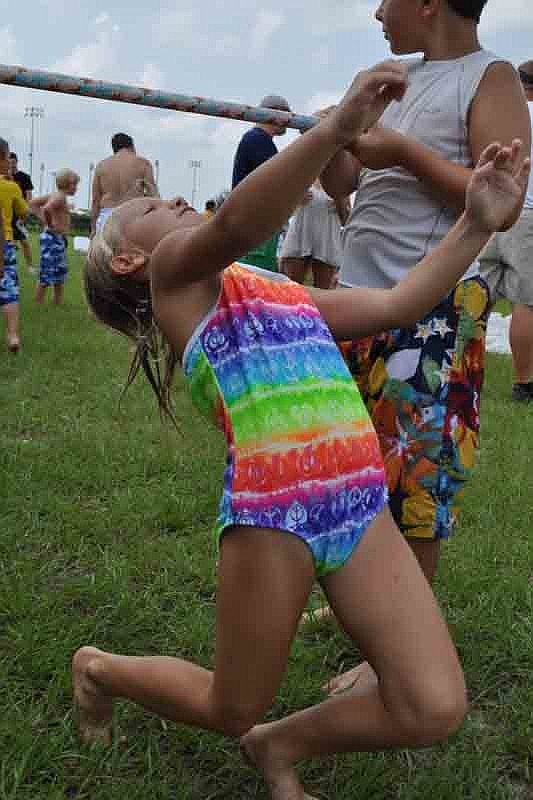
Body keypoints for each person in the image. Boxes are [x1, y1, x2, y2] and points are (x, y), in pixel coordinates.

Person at [77, 60, 529, 800]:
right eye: (155, 209)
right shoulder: (178, 288)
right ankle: (99, 668)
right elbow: (237, 224)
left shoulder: (275, 290)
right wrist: (332, 132)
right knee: (231, 704)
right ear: (132, 258)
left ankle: (279, 744)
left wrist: (474, 223)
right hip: (273, 513)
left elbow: (393, 304)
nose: (182, 201)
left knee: (431, 706)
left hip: (357, 503)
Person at [319, 0, 531, 693]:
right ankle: (360, 599)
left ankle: (394, 653)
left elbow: (500, 199)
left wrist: (401, 151)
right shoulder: (386, 77)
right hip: (356, 298)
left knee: (416, 471)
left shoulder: (489, 77)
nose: (377, 11)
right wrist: (339, 137)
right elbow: (342, 185)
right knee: (350, 461)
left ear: (428, 2)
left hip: (435, 303)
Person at [480, 60, 533, 402]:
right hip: (526, 216)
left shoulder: (503, 116)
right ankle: (524, 383)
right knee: (528, 301)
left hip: (487, 212)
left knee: (479, 296)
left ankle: (458, 369)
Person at [232, 93, 291, 271]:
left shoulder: (257, 139)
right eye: (287, 114)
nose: (290, 120)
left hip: (251, 220)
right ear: (275, 114)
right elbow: (279, 182)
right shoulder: (259, 140)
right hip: (254, 221)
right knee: (256, 275)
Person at [279, 178, 350, 288]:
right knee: (291, 287)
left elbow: (346, 221)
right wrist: (296, 199)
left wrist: (340, 202)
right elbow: (282, 209)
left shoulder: (340, 183)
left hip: (327, 243)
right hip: (299, 238)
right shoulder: (304, 175)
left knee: (324, 290)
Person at [91, 133, 159, 237]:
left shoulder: (101, 166)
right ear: (131, 146)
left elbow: (96, 200)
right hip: (133, 215)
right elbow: (153, 195)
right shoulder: (143, 163)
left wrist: (93, 229)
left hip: (107, 217)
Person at [31, 169, 80, 305]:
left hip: (57, 239)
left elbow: (33, 203)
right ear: (67, 184)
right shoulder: (60, 197)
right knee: (47, 273)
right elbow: (47, 209)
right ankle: (38, 302)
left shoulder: (57, 196)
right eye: (74, 185)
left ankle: (57, 302)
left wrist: (45, 219)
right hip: (52, 239)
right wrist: (49, 222)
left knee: (59, 272)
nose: (76, 188)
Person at [0, 137, 29, 352]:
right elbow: (23, 212)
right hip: (5, 244)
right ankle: (12, 334)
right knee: (9, 290)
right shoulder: (10, 187)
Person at [8, 153, 34, 274]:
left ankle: (30, 266)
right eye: (9, 162)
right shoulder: (4, 177)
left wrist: (25, 214)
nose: (11, 165)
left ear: (17, 162)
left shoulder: (24, 177)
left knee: (24, 242)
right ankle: (8, 265)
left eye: (13, 162)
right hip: (6, 215)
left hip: (19, 215)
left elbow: (29, 197)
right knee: (7, 242)